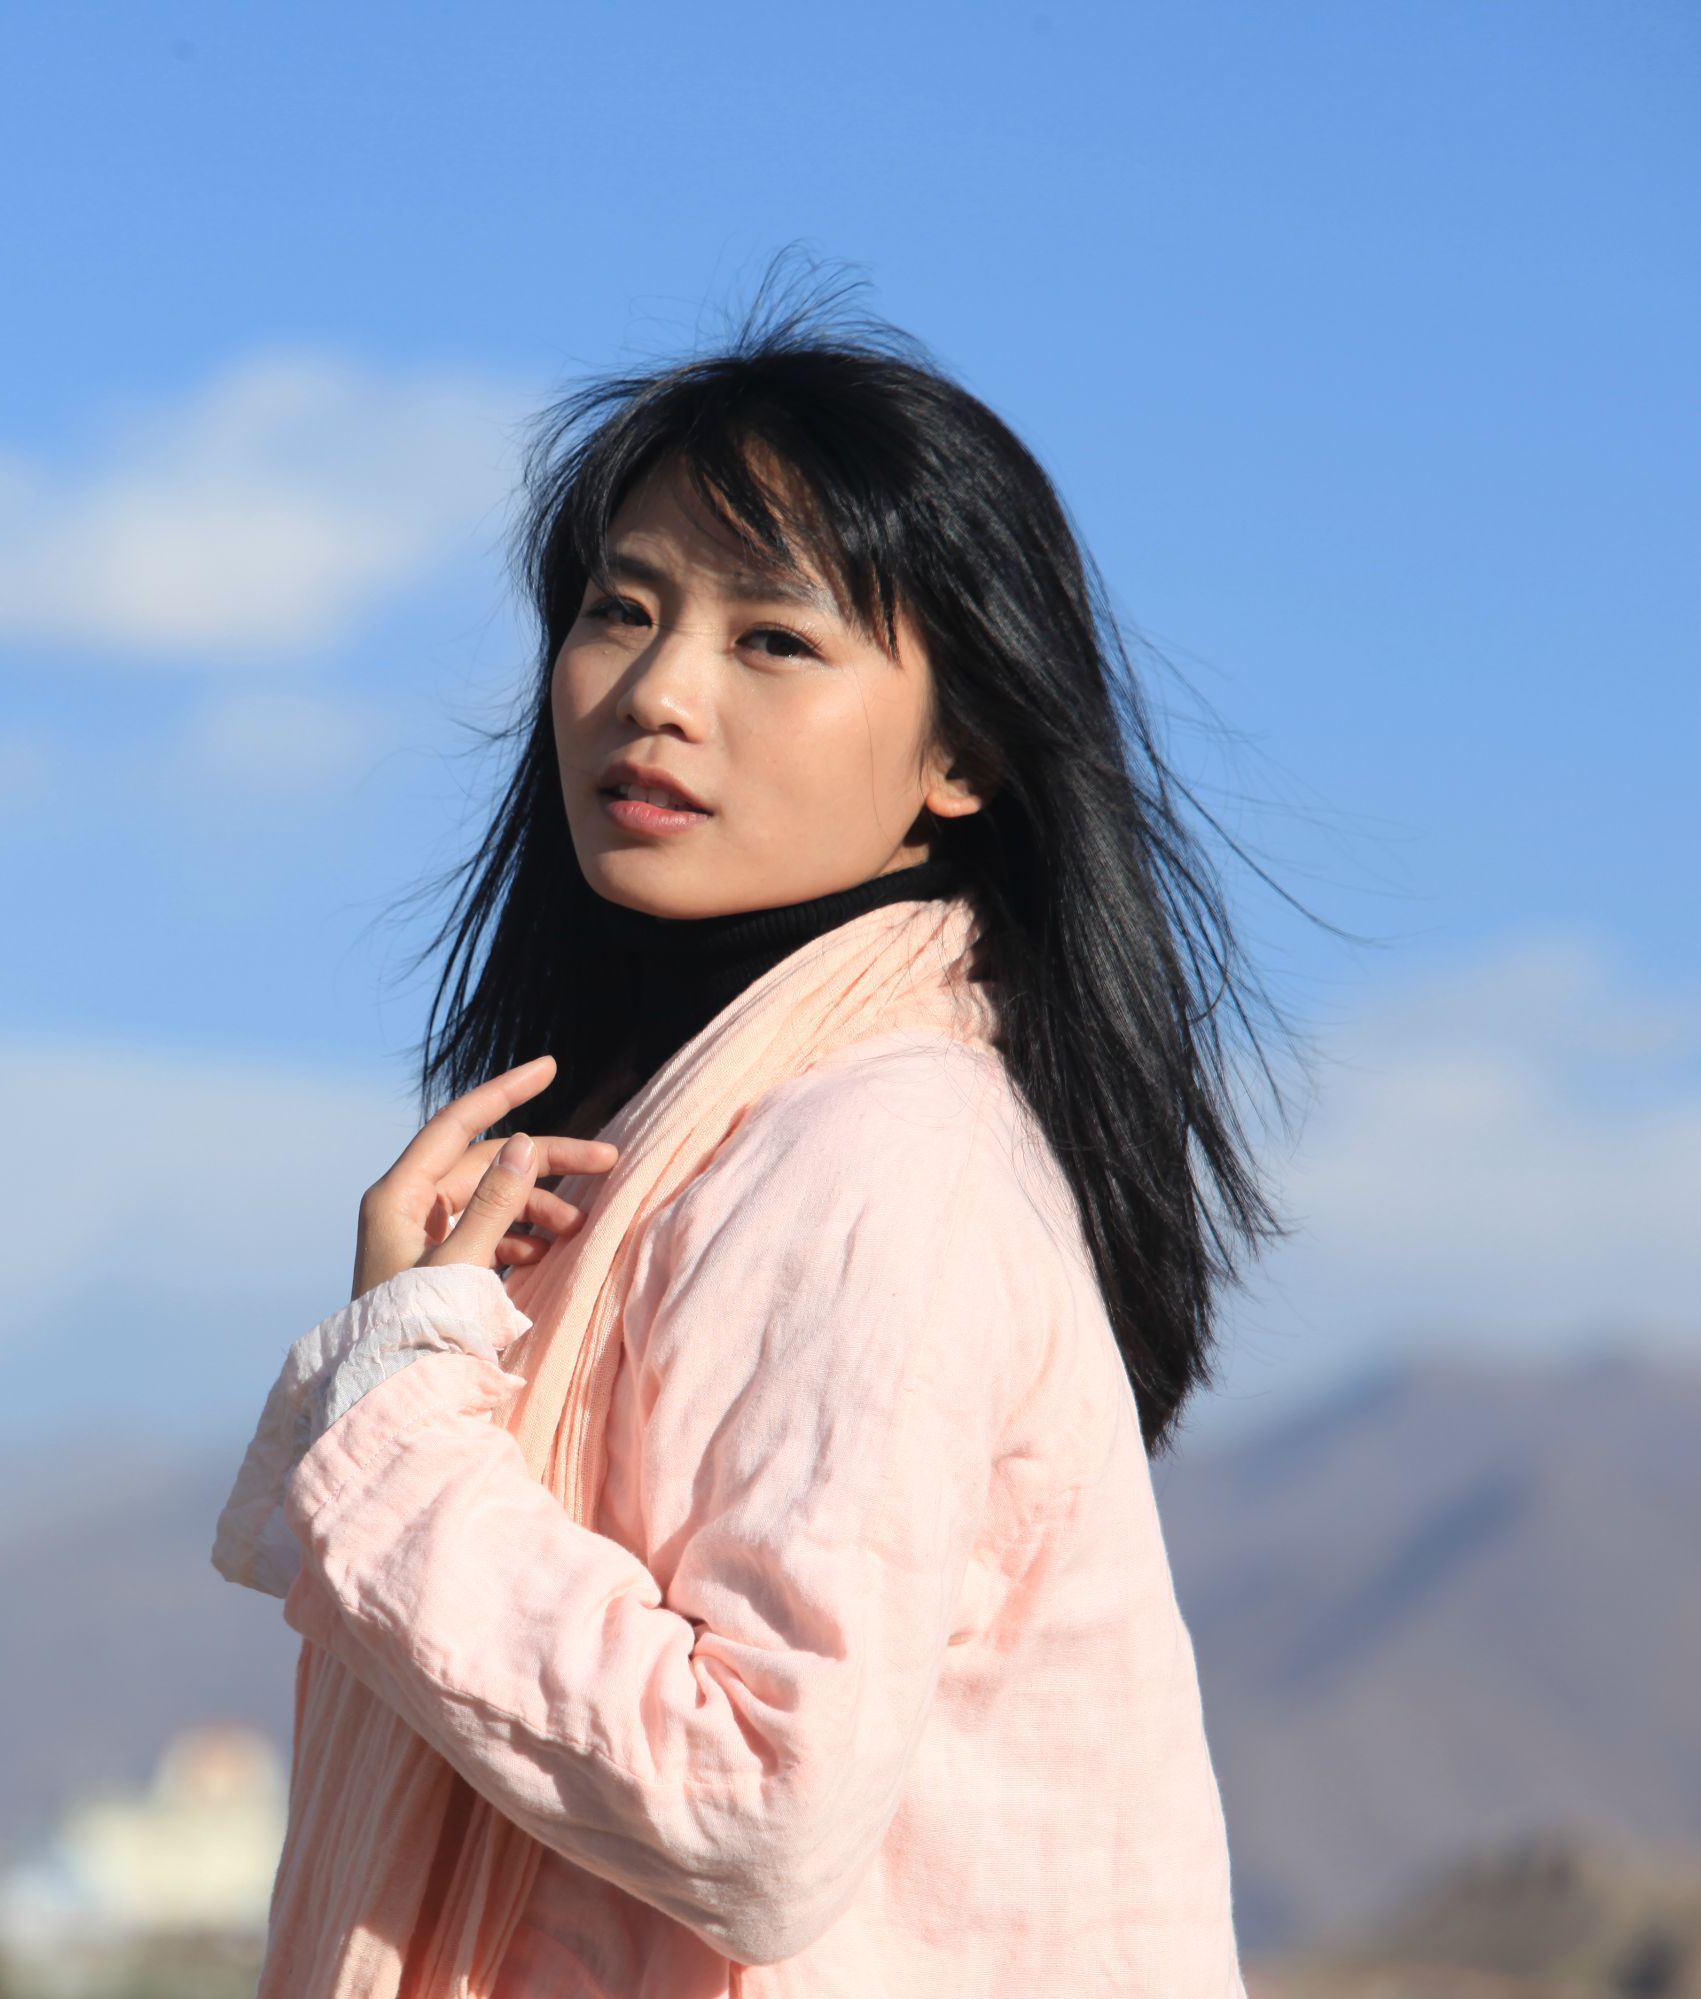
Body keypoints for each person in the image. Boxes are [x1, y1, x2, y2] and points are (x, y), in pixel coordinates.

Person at [210, 270, 1288, 1996]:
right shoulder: (698, 1129)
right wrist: (419, 1342)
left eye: (773, 639)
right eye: (621, 610)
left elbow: (757, 1800)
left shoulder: (882, 1150)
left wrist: (398, 1409)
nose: (657, 690)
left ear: (964, 753)